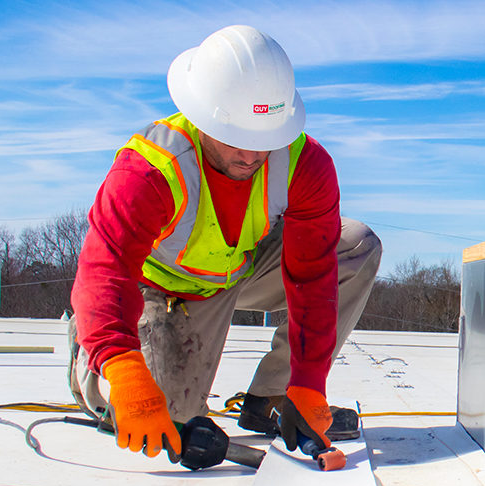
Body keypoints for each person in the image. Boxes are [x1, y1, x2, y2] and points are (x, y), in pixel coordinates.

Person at [69, 24, 381, 463]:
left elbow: (313, 276)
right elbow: (105, 269)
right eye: (238, 139)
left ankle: (272, 398)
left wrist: (309, 381)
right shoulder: (149, 170)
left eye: (265, 139)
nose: (253, 155)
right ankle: (94, 354)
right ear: (201, 116)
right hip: (158, 289)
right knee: (165, 417)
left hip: (237, 271)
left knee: (354, 245)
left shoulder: (304, 164)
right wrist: (122, 363)